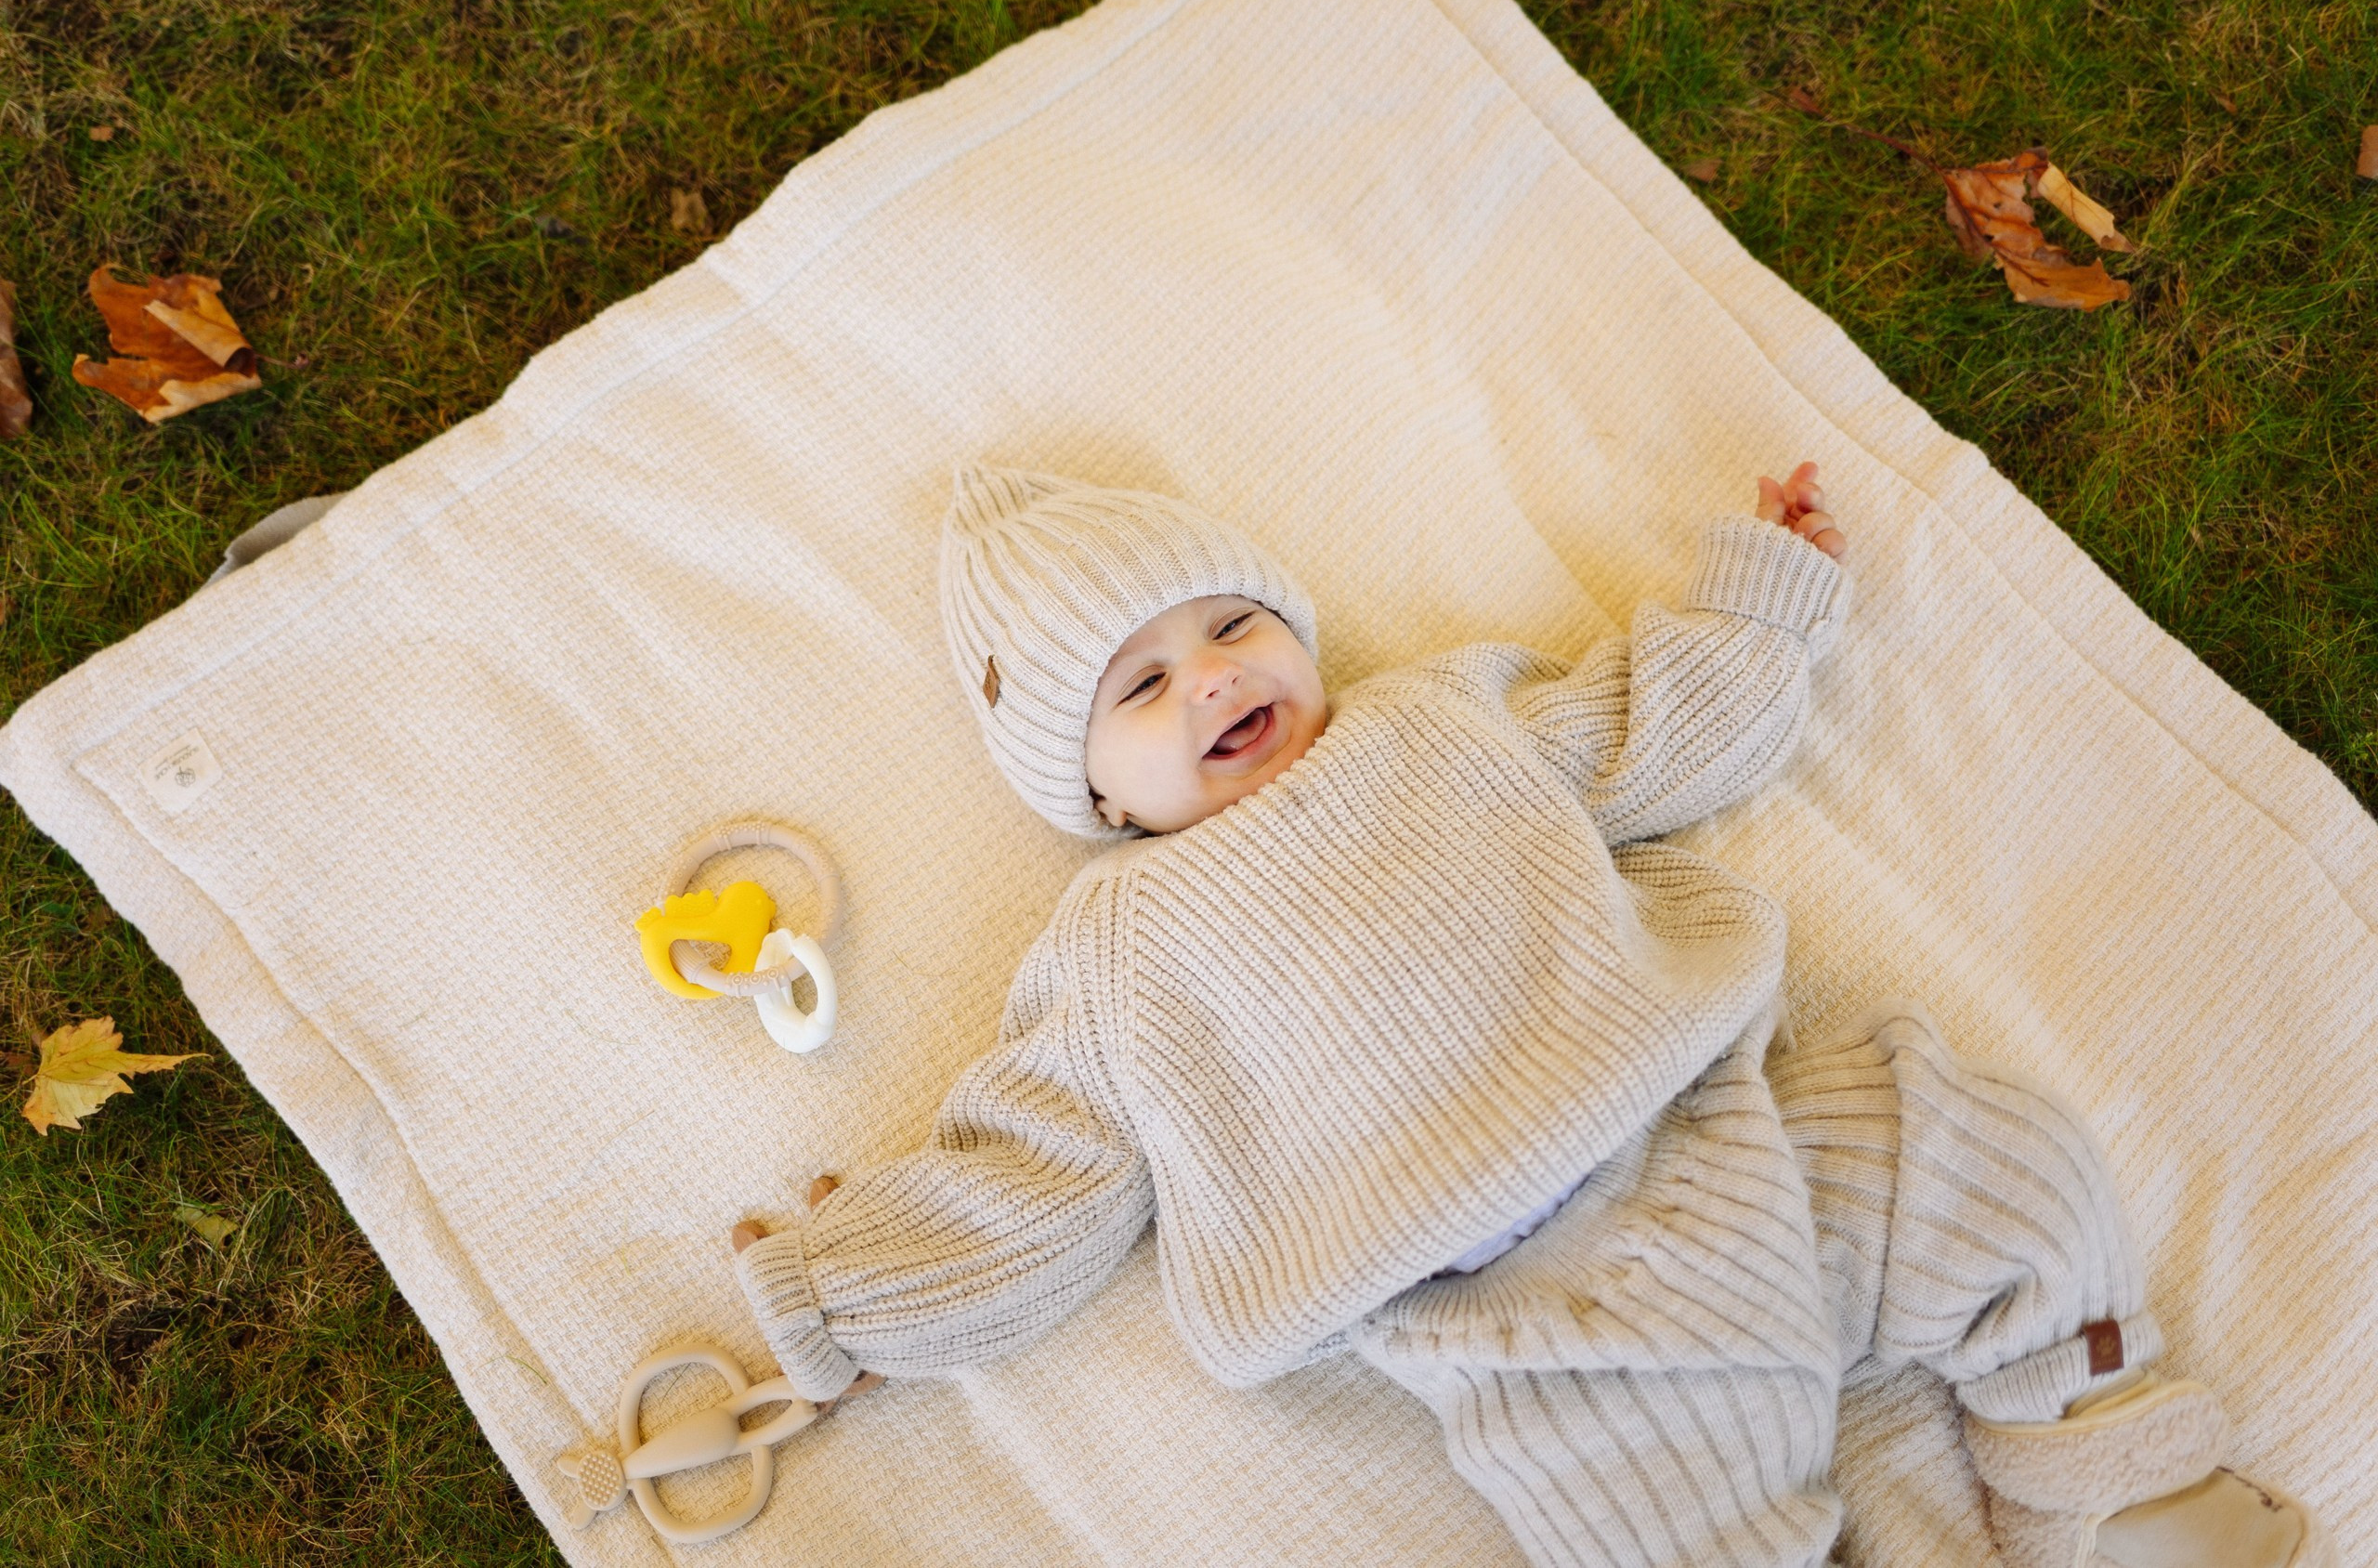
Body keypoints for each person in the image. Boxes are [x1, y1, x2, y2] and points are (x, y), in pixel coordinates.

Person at [726, 463, 2330, 1568]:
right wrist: (856, 1299)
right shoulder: (1118, 952)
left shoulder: (1444, 723)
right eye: (1139, 689)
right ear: (1090, 795)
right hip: (1528, 1325)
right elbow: (1037, 1171)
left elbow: (1645, 731)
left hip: (1736, 1135)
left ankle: (2120, 1483)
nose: (1210, 680)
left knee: (2009, 1173)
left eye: (1230, 626)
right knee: (1673, 1534)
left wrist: (1760, 602)